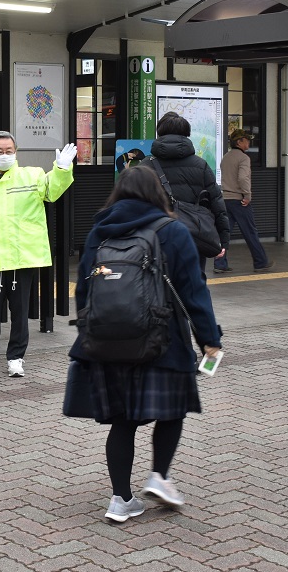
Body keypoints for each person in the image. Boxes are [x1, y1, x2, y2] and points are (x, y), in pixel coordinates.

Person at [73, 165, 222, 522]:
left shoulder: (100, 230)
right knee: (171, 411)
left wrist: (95, 330)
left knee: (123, 421)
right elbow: (193, 291)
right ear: (158, 193)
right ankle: (159, 476)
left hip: (111, 341)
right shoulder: (172, 230)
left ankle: (120, 500)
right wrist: (209, 340)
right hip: (163, 339)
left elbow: (83, 288)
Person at [0, 131, 77, 377]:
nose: (4, 155)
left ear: (16, 151)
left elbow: (52, 190)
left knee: (20, 312)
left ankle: (16, 358)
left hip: (22, 257)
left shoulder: (31, 176)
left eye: (9, 151)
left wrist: (62, 169)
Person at [146, 112, 230, 275]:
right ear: (187, 134)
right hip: (193, 238)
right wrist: (223, 240)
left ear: (160, 133)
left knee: (157, 285)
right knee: (194, 286)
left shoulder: (145, 166)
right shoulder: (201, 165)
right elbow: (217, 203)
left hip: (155, 238)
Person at [214, 129, 274, 273]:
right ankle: (260, 262)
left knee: (224, 233)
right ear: (239, 142)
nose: (248, 142)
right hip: (238, 200)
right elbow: (243, 178)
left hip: (225, 199)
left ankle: (220, 264)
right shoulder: (243, 158)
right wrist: (247, 196)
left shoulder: (226, 157)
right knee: (250, 232)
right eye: (246, 139)